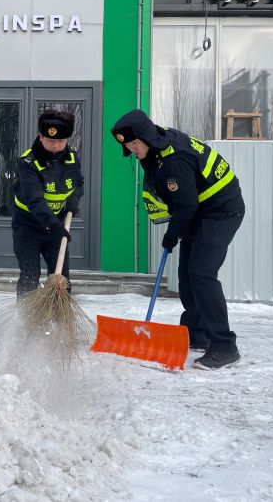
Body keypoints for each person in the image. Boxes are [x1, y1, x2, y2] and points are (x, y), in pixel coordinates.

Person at [111, 109, 245, 370]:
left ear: (146, 137)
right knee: (186, 273)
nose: (132, 150)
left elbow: (186, 205)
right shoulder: (157, 148)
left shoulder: (175, 160)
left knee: (202, 273)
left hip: (221, 210)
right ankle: (197, 333)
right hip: (200, 210)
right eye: (128, 146)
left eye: (134, 144)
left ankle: (225, 346)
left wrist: (171, 236)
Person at [12, 111, 84, 297]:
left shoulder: (72, 157)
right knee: (30, 275)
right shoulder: (28, 162)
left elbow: (78, 183)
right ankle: (26, 321)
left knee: (61, 279)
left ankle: (61, 320)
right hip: (28, 226)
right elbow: (34, 200)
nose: (56, 146)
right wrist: (55, 225)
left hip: (56, 226)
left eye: (61, 141)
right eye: (51, 141)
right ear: (41, 136)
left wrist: (73, 200)